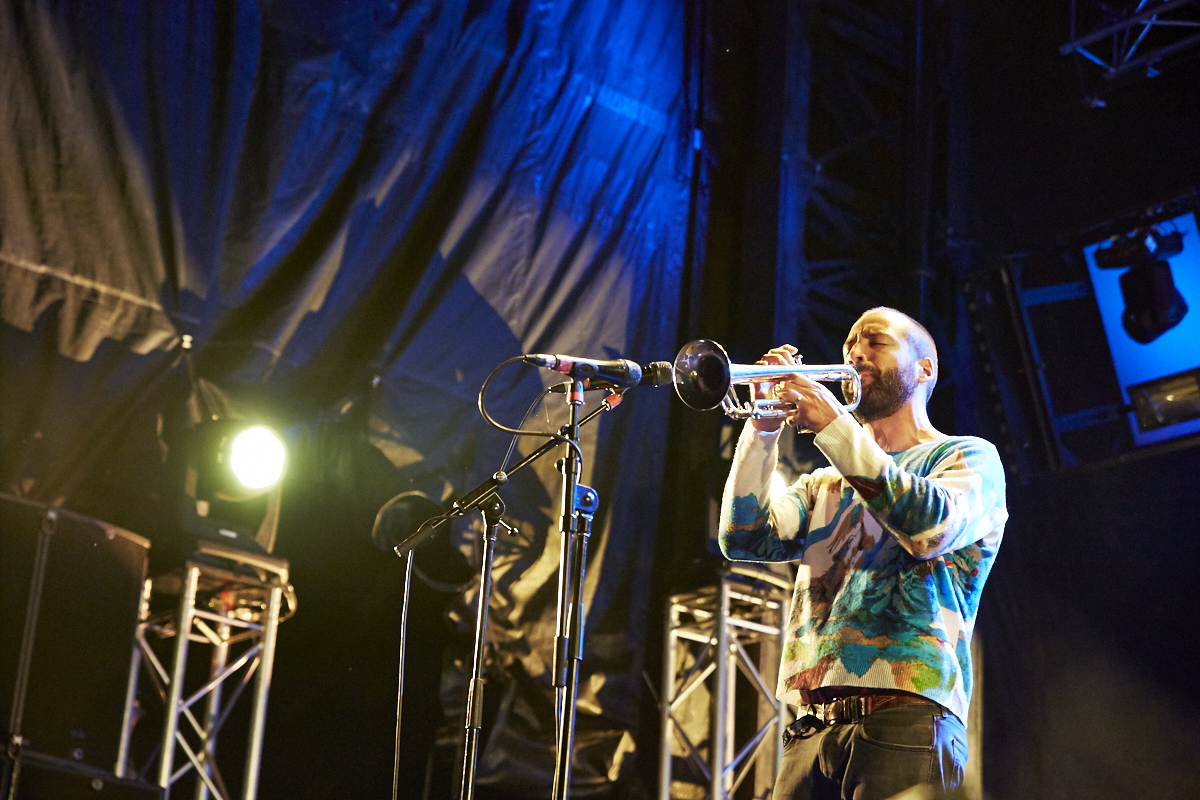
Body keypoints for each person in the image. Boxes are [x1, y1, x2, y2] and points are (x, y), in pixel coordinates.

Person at [719, 307, 1007, 800]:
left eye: (875, 341)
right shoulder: (826, 481)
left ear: (925, 369)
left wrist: (833, 425)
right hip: (812, 729)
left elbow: (928, 527)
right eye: (850, 343)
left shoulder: (965, 456)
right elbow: (742, 537)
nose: (855, 352)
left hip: (909, 720)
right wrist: (763, 428)